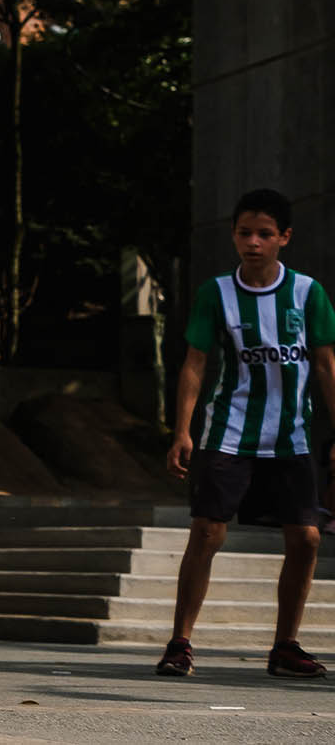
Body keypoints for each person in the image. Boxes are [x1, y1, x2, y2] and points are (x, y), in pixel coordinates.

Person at [158, 187, 335, 679]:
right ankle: (180, 643)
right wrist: (183, 432)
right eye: (244, 233)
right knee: (208, 532)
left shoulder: (307, 293)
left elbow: (325, 366)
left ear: (284, 237)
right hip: (227, 434)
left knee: (306, 538)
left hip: (291, 439)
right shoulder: (217, 293)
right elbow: (194, 364)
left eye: (264, 233)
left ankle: (285, 647)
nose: (253, 242)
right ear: (233, 236)